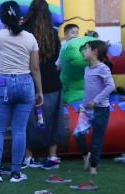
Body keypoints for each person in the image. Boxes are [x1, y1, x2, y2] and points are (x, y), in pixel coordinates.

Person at [0, 1, 43, 182]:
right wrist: (40, 91)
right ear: (20, 16)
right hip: (25, 83)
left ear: (2, 17)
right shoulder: (30, 38)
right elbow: (35, 69)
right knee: (19, 131)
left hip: (2, 82)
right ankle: (16, 173)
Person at [21, 0, 66, 170]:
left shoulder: (24, 32)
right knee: (54, 119)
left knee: (27, 119)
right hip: (52, 80)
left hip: (29, 80)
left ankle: (29, 157)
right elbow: (54, 58)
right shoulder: (53, 33)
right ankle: (53, 156)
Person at [73, 40, 115, 175]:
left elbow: (111, 86)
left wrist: (95, 101)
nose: (83, 52)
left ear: (95, 51)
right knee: (77, 134)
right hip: (86, 109)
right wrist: (82, 105)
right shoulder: (86, 69)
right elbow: (88, 90)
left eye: (86, 49)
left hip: (101, 110)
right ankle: (86, 154)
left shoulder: (103, 68)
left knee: (97, 139)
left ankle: (93, 167)